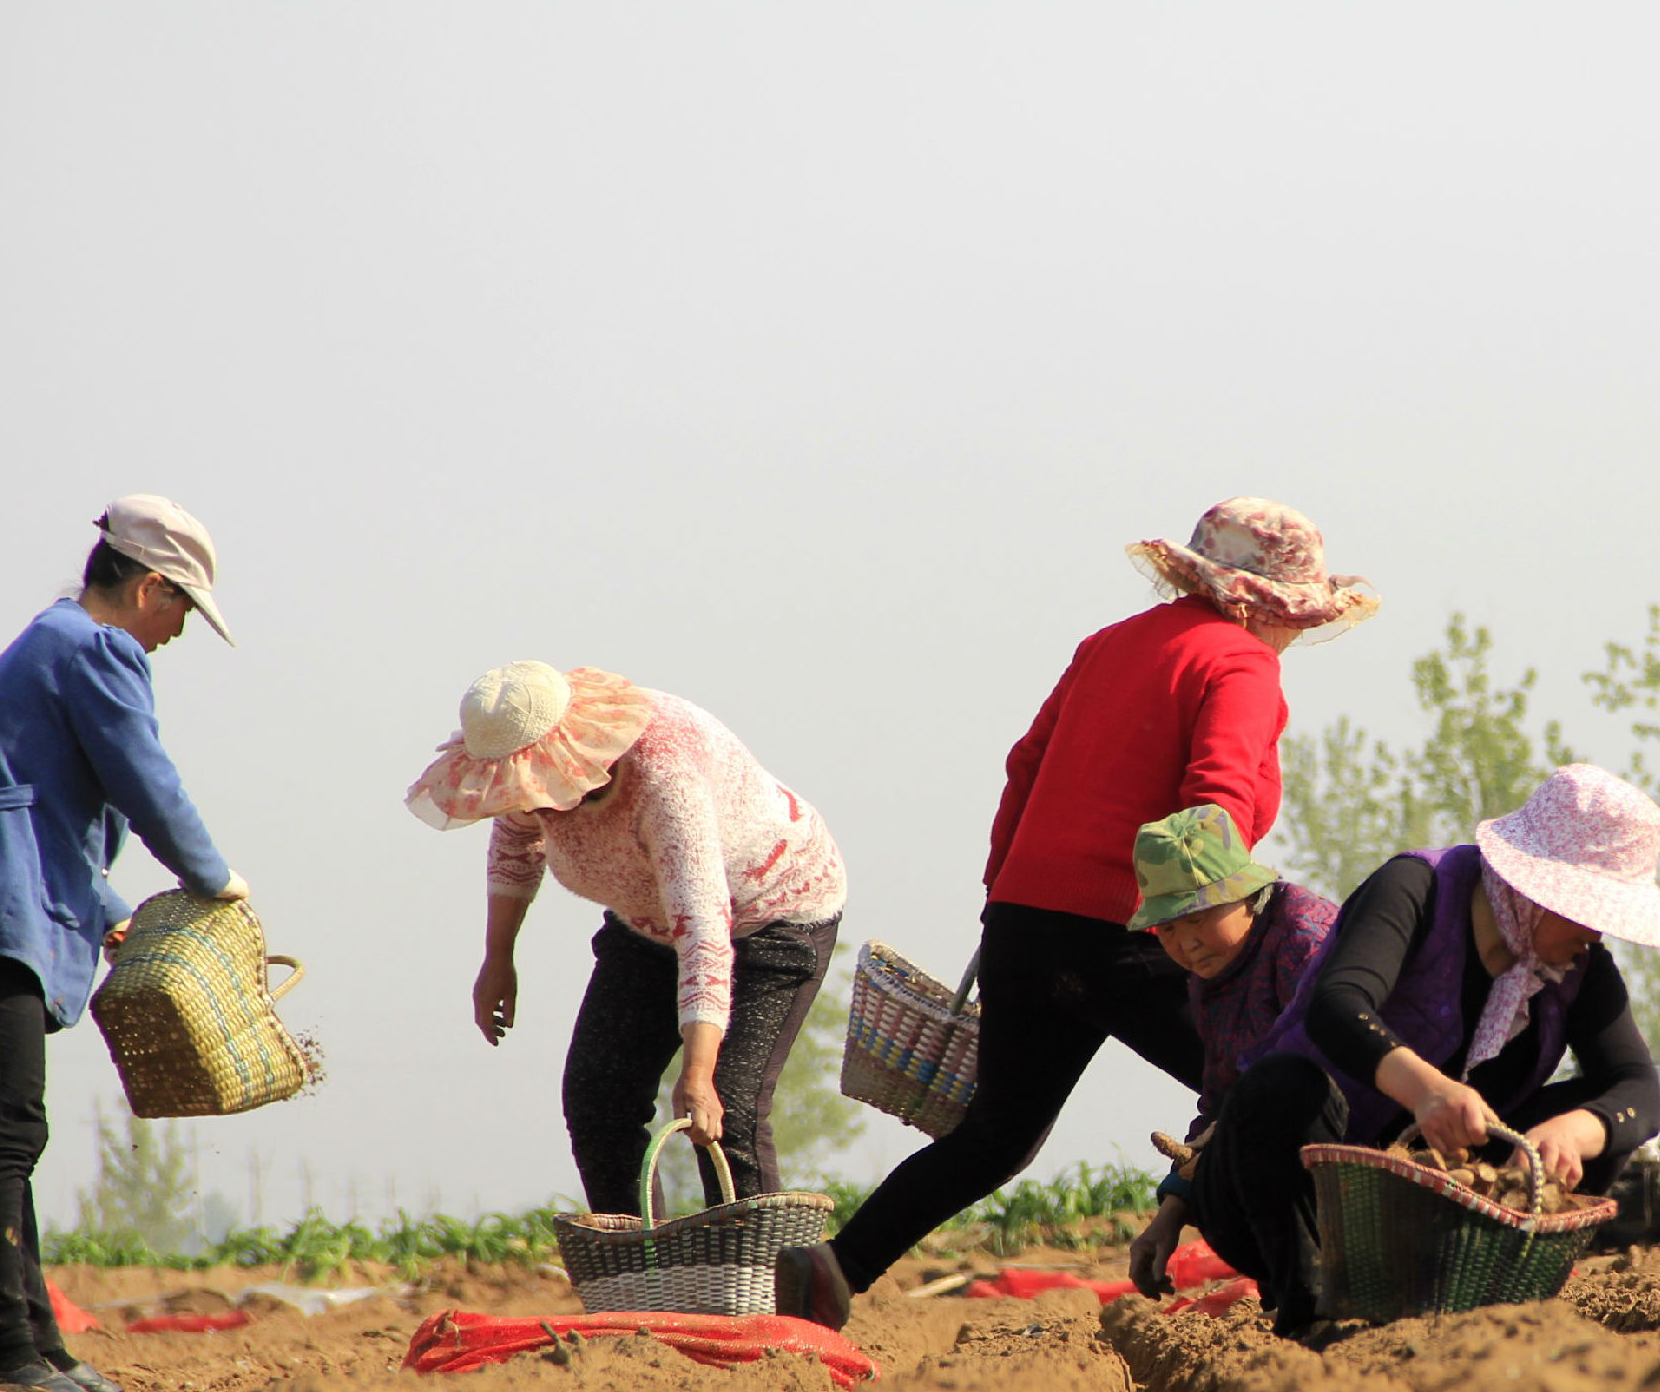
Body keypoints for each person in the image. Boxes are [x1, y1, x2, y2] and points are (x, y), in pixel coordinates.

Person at [781, 498, 1376, 1324]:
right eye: (1290, 618)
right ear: (1254, 602)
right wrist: (1216, 923)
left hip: (1027, 919)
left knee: (995, 1134)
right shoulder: (1240, 663)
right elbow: (1218, 803)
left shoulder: (1108, 645)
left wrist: (1002, 902)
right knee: (1281, 1088)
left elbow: (1025, 768)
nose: (1292, 636)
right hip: (1141, 927)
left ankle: (835, 1267)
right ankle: (1311, 1294)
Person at [0, 496, 252, 1392]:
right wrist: (217, 879)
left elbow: (41, 815)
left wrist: (112, 909)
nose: (177, 635)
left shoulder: (52, 643)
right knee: (9, 1135)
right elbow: (145, 780)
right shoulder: (95, 649)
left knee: (10, 1133)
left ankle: (37, 1344)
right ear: (150, 586)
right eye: (181, 613)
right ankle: (5, 1350)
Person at [1195, 763, 1660, 1338]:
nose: (1598, 934)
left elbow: (1639, 1090)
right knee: (1286, 1085)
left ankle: (1495, 1297)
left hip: (1425, 1202)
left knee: (1600, 1112)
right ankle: (1311, 1308)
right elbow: (1338, 1005)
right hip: (1289, 1181)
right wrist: (1428, 1093)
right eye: (1592, 913)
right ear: (1538, 889)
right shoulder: (1417, 889)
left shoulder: (1577, 968)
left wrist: (1570, 1133)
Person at [407, 660, 845, 1241]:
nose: (528, 802)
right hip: (646, 924)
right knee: (598, 1097)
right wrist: (498, 957)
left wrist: (697, 1071)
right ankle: (647, 1280)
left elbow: (703, 928)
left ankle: (764, 1296)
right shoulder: (529, 785)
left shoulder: (666, 779)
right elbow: (516, 844)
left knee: (727, 1110)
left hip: (770, 913)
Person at [1120, 805, 1341, 1296]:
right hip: (1290, 1166)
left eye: (1198, 917)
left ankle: (1313, 1291)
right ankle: (1294, 1286)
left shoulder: (1304, 940)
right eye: (1169, 928)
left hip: (1356, 1154)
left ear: (1245, 896)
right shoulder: (1213, 975)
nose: (1186, 943)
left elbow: (1337, 1075)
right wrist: (1169, 1215)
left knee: (1280, 1095)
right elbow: (1222, 1095)